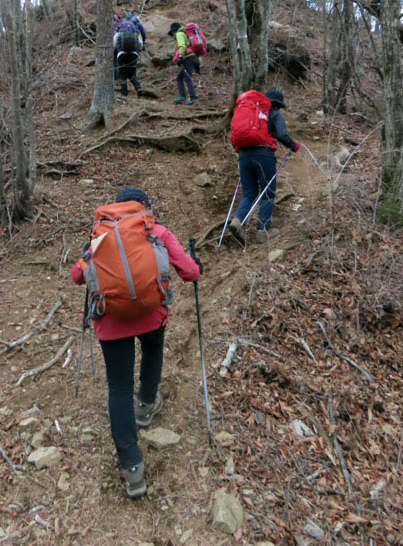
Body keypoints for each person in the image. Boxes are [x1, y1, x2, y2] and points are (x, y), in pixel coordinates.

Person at [70, 187, 202, 499]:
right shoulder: (156, 231)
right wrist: (198, 267)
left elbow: (77, 275)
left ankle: (132, 468)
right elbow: (189, 271)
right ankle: (145, 405)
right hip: (150, 313)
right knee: (153, 348)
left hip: (112, 322)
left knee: (118, 387)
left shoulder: (100, 237)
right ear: (144, 207)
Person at [229, 88, 300, 245]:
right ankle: (263, 231)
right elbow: (282, 135)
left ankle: (238, 221)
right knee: (268, 191)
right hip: (263, 155)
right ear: (278, 105)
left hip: (243, 155)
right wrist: (293, 145)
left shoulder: (253, 111)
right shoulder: (274, 114)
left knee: (249, 193)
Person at [168, 22, 199, 105]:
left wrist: (180, 57)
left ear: (174, 31)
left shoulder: (179, 34)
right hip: (193, 57)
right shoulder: (186, 34)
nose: (173, 36)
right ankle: (182, 96)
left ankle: (193, 98)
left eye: (172, 33)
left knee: (187, 78)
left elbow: (182, 46)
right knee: (180, 78)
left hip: (188, 58)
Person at [113, 24, 142, 99]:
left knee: (122, 74)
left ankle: (124, 94)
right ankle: (138, 88)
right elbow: (141, 44)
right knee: (131, 73)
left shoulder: (118, 33)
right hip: (134, 55)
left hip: (122, 55)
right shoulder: (135, 33)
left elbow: (114, 45)